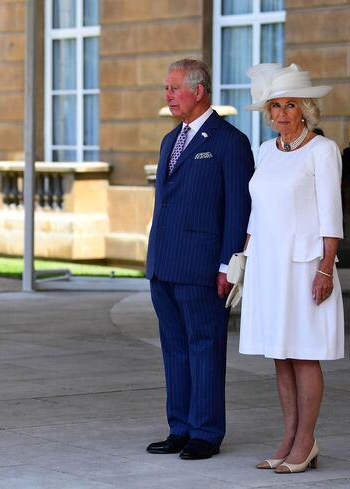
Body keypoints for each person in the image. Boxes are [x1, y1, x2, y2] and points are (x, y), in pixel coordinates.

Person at [145, 59, 254, 460]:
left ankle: (206, 433)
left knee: (205, 347)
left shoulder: (229, 142)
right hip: (164, 265)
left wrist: (228, 264)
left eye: (175, 88)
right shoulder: (169, 140)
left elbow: (238, 210)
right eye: (167, 88)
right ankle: (180, 428)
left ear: (199, 91)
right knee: (174, 348)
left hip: (204, 268)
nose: (168, 95)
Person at [240, 63, 342, 474]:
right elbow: (256, 214)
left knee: (304, 354)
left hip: (304, 268)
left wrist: (326, 269)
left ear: (305, 110)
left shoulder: (323, 150)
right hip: (268, 266)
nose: (282, 113)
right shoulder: (265, 150)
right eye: (275, 106)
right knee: (279, 356)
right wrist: (244, 262)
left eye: (290, 105)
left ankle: (306, 442)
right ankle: (288, 438)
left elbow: (331, 216)